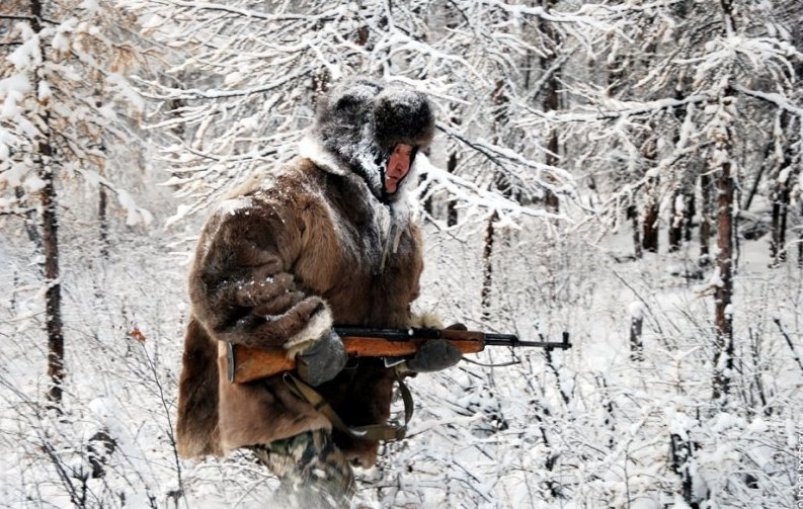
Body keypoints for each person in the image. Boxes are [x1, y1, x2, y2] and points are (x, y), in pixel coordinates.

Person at [175, 78, 462, 507]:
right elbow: (225, 272)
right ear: (358, 143)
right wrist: (305, 330)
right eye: (392, 150)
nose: (401, 165)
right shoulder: (291, 194)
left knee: (328, 490)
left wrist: (416, 343)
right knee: (322, 489)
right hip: (267, 391)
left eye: (411, 152)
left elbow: (379, 323)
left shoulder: (399, 232)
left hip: (330, 404)